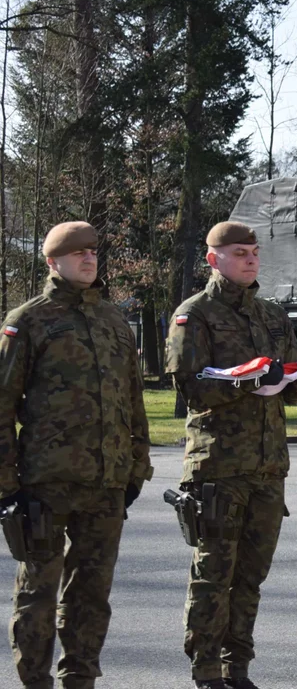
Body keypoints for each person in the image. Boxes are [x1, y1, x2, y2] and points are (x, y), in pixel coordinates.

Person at [168, 221, 297, 689]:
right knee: (213, 575)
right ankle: (206, 670)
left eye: (255, 252)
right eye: (240, 252)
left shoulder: (271, 315)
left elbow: (285, 388)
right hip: (218, 463)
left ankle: (237, 668)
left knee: (251, 578)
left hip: (267, 466)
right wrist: (245, 378)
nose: (250, 259)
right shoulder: (194, 314)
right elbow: (192, 388)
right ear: (213, 259)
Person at [0, 221, 153, 689]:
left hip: (106, 484)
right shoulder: (28, 321)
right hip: (45, 485)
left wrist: (135, 469)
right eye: (77, 253)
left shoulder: (112, 321)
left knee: (92, 593)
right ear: (52, 262)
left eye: (93, 251)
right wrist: (8, 488)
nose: (89, 259)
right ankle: (35, 682)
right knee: (38, 592)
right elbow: (2, 408)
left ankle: (80, 679)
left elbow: (133, 401)